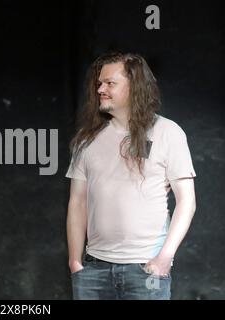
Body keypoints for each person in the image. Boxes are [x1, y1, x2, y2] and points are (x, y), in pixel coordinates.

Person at [66, 52, 196, 300]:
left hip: (146, 268)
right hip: (93, 269)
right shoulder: (87, 139)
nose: (101, 89)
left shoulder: (168, 132)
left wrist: (164, 258)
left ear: (134, 86)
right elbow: (77, 202)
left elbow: (187, 202)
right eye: (99, 83)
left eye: (110, 83)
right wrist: (75, 262)